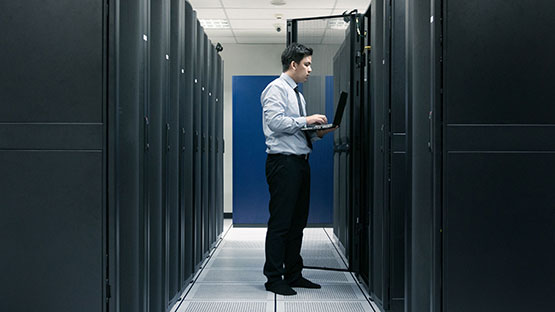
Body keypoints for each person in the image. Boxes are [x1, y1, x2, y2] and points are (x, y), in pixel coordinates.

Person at [260, 43, 337, 296]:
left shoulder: (298, 94)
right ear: (293, 65)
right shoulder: (276, 89)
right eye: (307, 64)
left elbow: (297, 132)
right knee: (281, 223)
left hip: (301, 163)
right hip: (283, 164)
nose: (310, 70)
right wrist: (307, 120)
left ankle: (293, 274)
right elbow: (275, 122)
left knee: (297, 223)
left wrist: (318, 133)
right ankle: (273, 278)